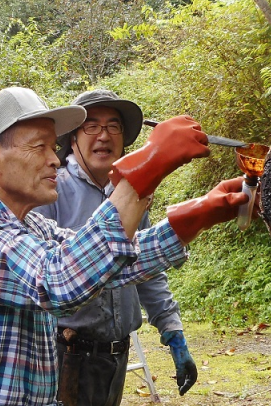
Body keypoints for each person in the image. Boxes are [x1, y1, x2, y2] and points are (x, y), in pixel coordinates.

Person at [0, 87, 249, 406]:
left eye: (53, 147)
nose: (54, 160)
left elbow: (118, 263)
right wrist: (148, 165)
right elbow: (59, 279)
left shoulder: (32, 226)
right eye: (39, 147)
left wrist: (197, 216)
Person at [34, 90, 196, 405]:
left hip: (114, 358)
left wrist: (173, 331)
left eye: (113, 126)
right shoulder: (52, 190)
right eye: (91, 127)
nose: (104, 136)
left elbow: (145, 268)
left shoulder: (132, 195)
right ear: (74, 138)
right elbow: (46, 276)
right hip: (65, 356)